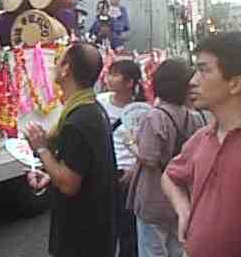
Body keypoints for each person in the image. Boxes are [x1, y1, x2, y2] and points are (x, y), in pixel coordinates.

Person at [25, 43, 117, 257]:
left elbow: (68, 184)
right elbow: (83, 169)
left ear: (66, 69)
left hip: (80, 239)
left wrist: (42, 149)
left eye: (59, 60)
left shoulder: (78, 121)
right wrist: (50, 176)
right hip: (96, 234)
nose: (55, 65)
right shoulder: (92, 109)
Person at [161, 32, 241, 257]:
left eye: (204, 70)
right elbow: (169, 176)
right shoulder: (203, 138)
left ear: (235, 84)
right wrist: (184, 209)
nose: (192, 81)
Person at [127, 58, 202, 257]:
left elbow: (148, 158)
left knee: (152, 250)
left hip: (154, 197)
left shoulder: (155, 117)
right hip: (180, 198)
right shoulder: (195, 118)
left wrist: (132, 144)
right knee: (176, 249)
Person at [98, 60, 144, 257]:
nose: (109, 78)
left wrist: (134, 170)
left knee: (128, 231)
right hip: (106, 172)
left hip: (129, 176)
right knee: (104, 229)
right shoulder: (100, 102)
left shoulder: (141, 110)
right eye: (109, 73)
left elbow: (147, 146)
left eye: (115, 74)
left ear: (130, 82)